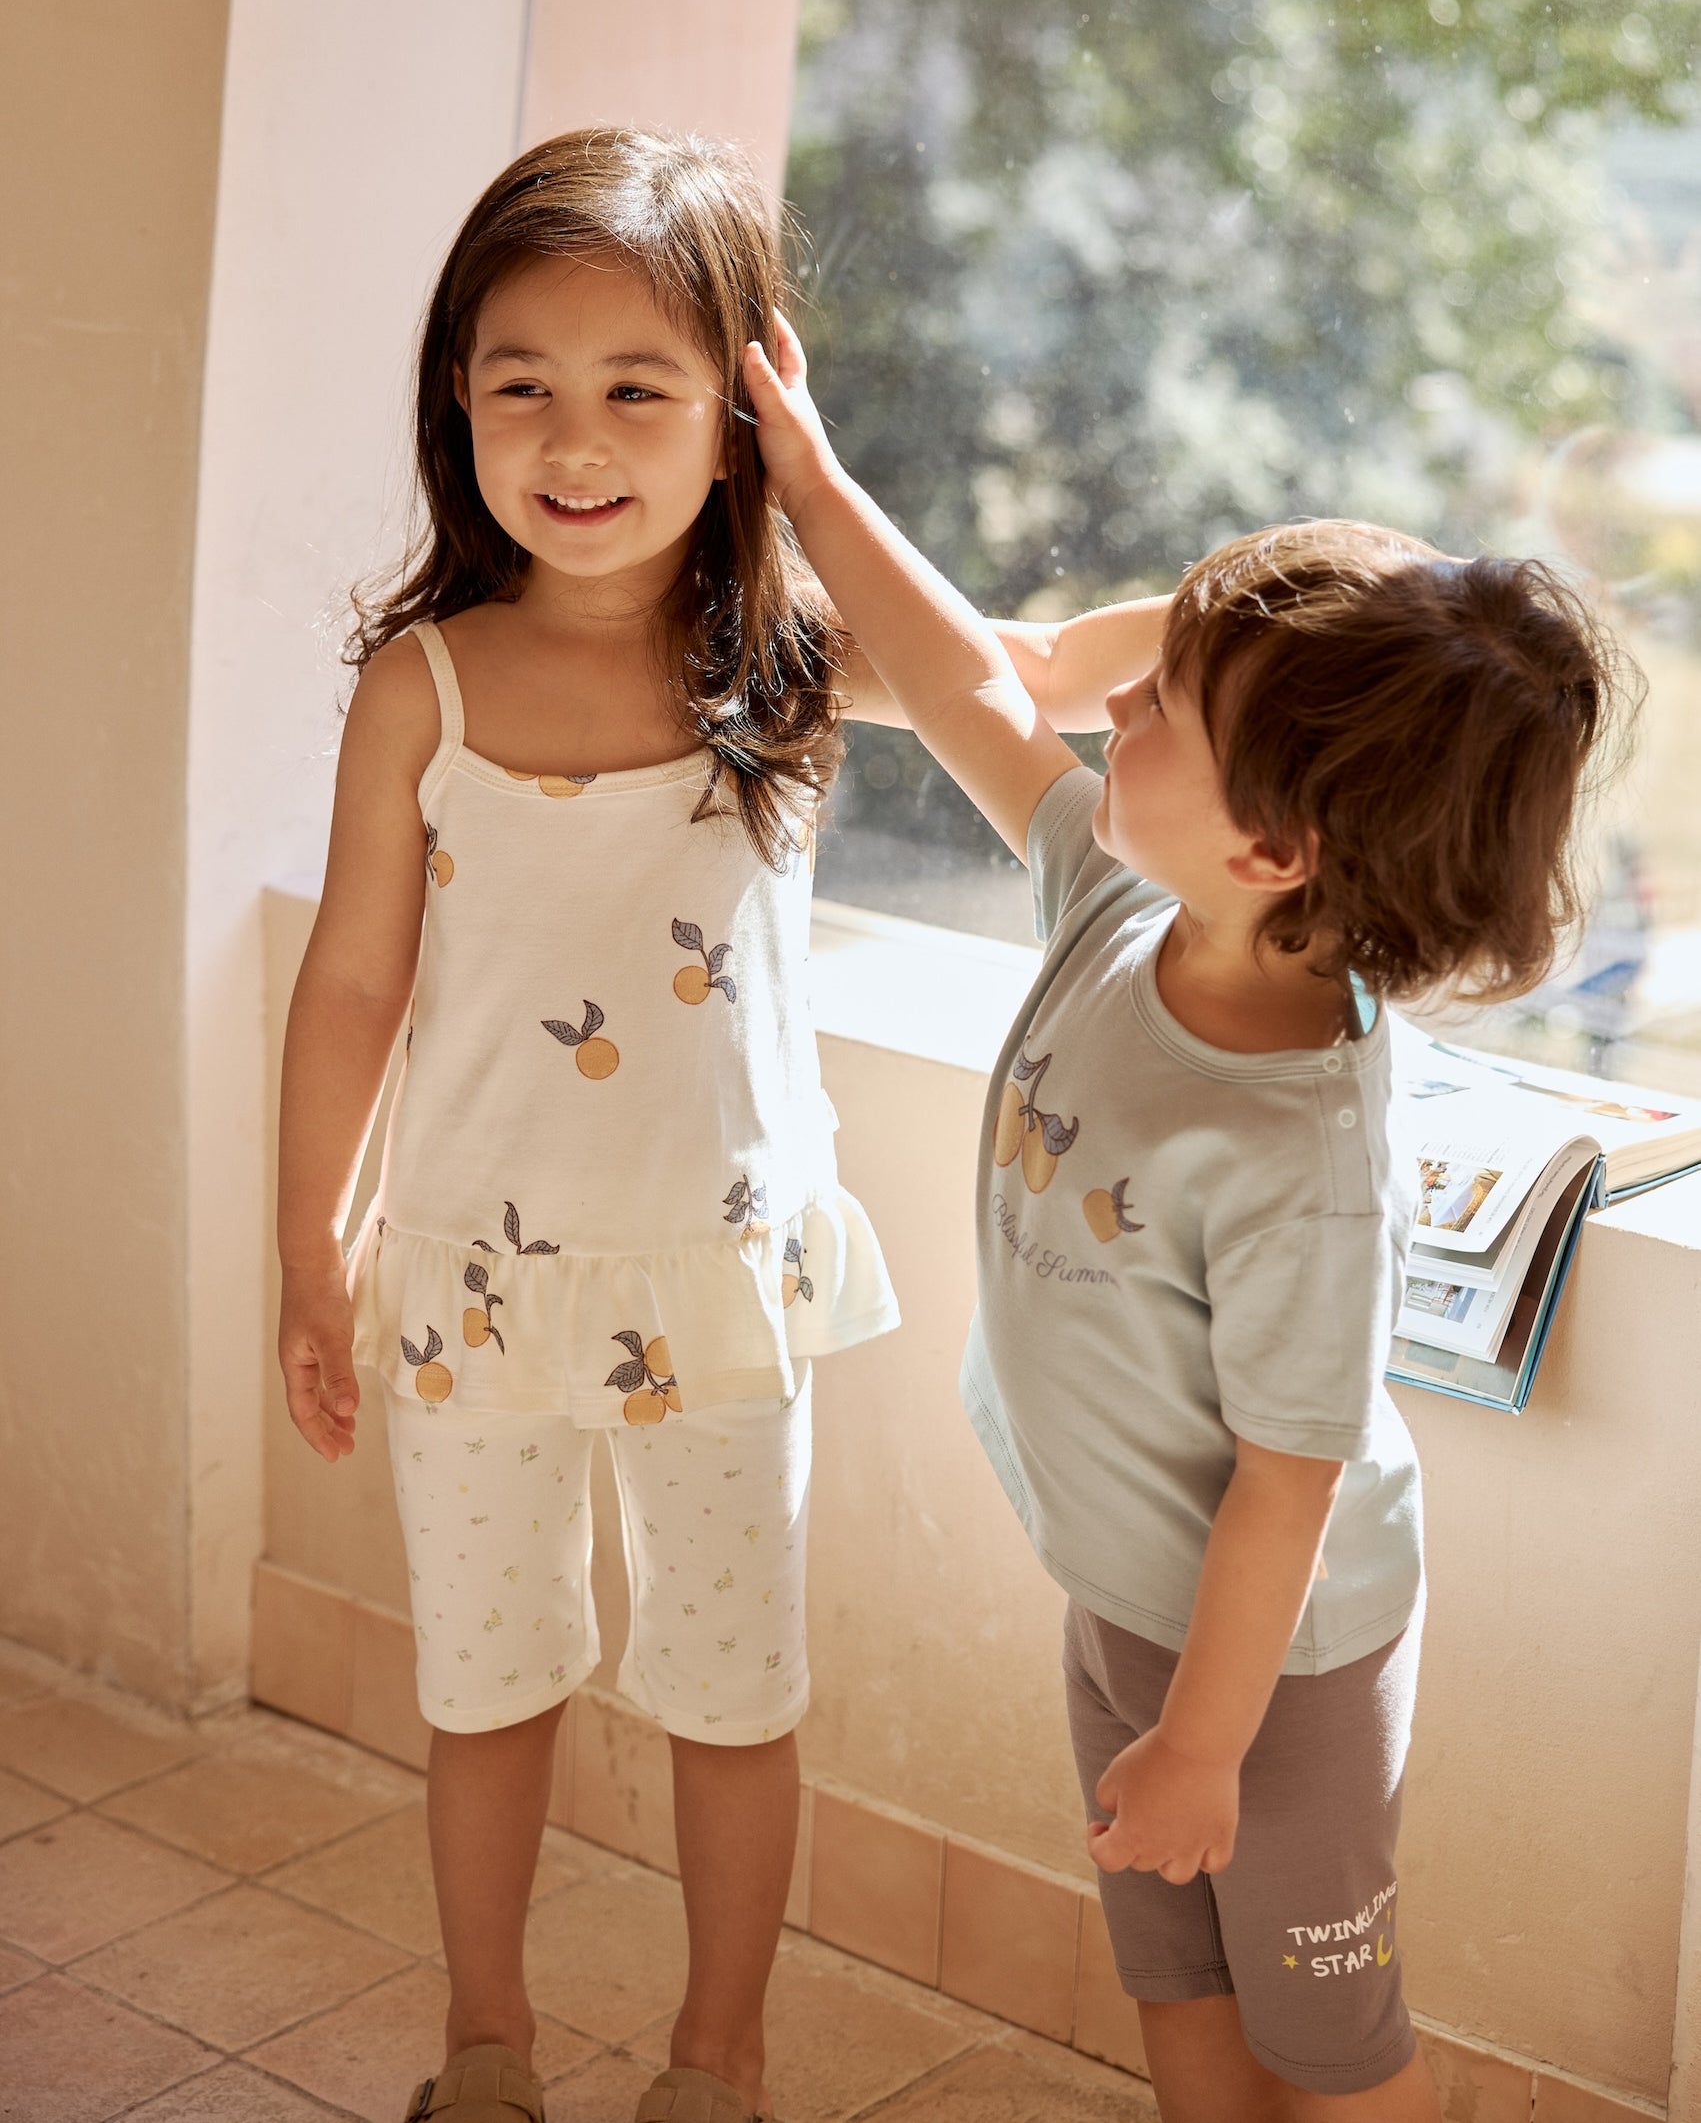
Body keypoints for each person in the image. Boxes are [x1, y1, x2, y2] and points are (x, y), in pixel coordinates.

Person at [273, 126, 1139, 2123]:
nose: (574, 439)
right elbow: (350, 988)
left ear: (737, 418)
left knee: (731, 1701)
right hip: (465, 1292)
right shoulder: (424, 686)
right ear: (457, 410)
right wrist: (308, 1245)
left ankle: (715, 2061)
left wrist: (1262, 623)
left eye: (638, 390)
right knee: (483, 1690)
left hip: (721, 1303)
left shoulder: (785, 665)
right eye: (522, 388)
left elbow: (1036, 674)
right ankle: (482, 2050)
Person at [744, 313, 1632, 2120]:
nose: (1111, 702)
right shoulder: (1112, 894)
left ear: (1277, 847)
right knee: (1173, 1979)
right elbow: (976, 689)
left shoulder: (1296, 1140)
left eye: (1163, 705)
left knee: (1329, 2045)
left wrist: (1207, 1743)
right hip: (1124, 1599)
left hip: (1276, 1667)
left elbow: (1287, 1479)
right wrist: (817, 488)